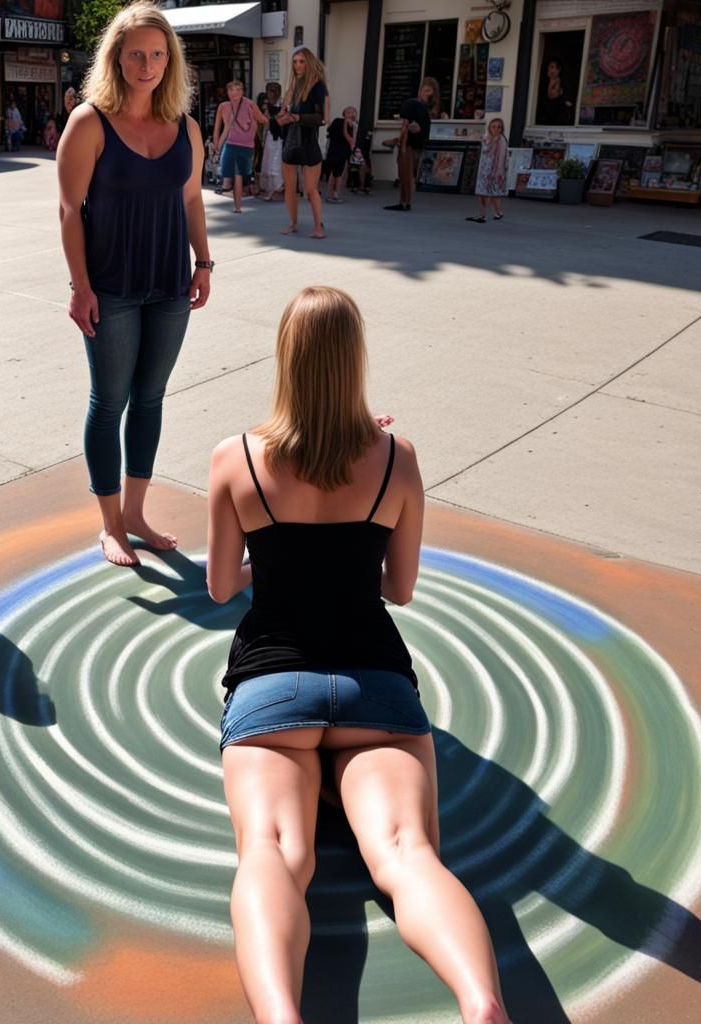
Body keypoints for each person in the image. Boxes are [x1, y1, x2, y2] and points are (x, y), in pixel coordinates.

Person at [206, 286, 509, 1024]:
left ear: (286, 357)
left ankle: (282, 1016)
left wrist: (276, 567)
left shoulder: (234, 458)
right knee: (407, 855)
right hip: (376, 689)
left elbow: (218, 586)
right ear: (355, 360)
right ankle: (481, 1003)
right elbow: (399, 589)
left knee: (274, 853)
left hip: (271, 689)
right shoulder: (396, 459)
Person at [58, 0, 212, 567]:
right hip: (111, 288)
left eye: (157, 54)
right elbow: (69, 211)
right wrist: (80, 286)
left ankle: (136, 514)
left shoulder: (187, 128)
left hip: (170, 286)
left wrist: (203, 262)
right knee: (110, 401)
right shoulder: (89, 122)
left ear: (170, 60)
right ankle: (110, 525)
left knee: (149, 399)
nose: (147, 65)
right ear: (116, 59)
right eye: (136, 55)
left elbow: (191, 200)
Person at [277, 48, 328, 238]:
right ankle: (293, 223)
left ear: (309, 63)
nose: (297, 65)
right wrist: (283, 117)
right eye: (295, 62)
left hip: (308, 142)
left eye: (301, 61)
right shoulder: (293, 87)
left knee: (310, 189)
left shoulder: (318, 87)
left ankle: (318, 227)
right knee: (289, 188)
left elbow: (322, 118)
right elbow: (281, 116)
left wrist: (299, 117)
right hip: (291, 141)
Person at [212, 80, 267, 213]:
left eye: (237, 90)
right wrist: (216, 144)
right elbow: (217, 128)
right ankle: (237, 205)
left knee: (238, 175)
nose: (234, 93)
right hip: (230, 143)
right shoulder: (223, 106)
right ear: (227, 92)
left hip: (246, 145)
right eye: (231, 90)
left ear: (242, 92)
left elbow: (263, 120)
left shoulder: (250, 104)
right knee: (235, 174)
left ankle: (237, 204)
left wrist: (255, 120)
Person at [384, 77, 437, 212]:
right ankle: (406, 202)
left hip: (409, 145)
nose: (424, 92)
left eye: (427, 90)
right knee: (410, 175)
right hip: (418, 145)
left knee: (405, 175)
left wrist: (399, 142)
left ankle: (403, 202)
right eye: (424, 90)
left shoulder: (411, 105)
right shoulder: (426, 110)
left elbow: (406, 126)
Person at [467, 117, 508, 223]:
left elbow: (502, 157)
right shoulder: (486, 138)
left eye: (499, 127)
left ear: (502, 129)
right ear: (489, 127)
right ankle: (495, 213)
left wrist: (499, 172)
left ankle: (484, 215)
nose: (496, 129)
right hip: (484, 169)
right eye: (493, 127)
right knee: (489, 192)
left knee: (490, 193)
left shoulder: (501, 140)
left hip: (495, 170)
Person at [324, 105, 356, 203]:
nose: (350, 113)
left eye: (352, 112)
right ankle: (332, 194)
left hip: (342, 151)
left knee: (338, 174)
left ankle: (335, 194)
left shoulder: (352, 125)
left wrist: (351, 150)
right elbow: (345, 136)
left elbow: (351, 139)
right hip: (336, 150)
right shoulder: (338, 121)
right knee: (336, 174)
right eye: (348, 111)